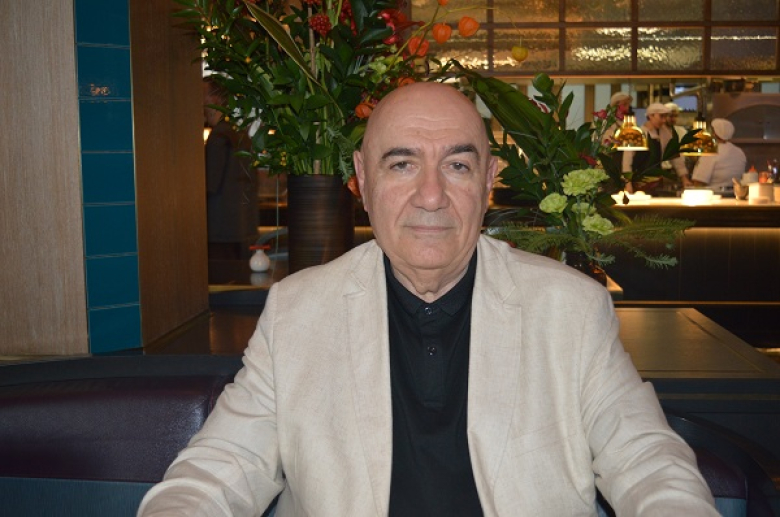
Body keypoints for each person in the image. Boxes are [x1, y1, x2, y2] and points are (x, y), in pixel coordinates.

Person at [138, 82, 717, 516]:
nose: (432, 195)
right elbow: (221, 470)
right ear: (363, 182)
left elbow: (648, 462)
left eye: (457, 165)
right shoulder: (298, 311)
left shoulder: (570, 309)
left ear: (488, 182)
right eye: (402, 164)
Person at [203, 76, 258, 260]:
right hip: (244, 228)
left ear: (215, 99)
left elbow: (209, 184)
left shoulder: (219, 137)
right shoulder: (240, 134)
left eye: (202, 96)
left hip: (220, 231)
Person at [622, 103, 691, 192]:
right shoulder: (637, 133)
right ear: (651, 116)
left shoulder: (664, 133)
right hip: (637, 183)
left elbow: (675, 157)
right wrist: (628, 184)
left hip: (656, 183)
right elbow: (627, 161)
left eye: (665, 117)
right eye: (661, 116)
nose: (664, 120)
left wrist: (684, 178)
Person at [691, 118, 747, 194]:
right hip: (734, 195)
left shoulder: (711, 152)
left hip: (714, 196)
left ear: (714, 133)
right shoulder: (739, 152)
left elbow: (699, 182)